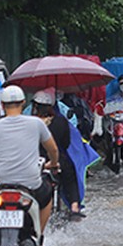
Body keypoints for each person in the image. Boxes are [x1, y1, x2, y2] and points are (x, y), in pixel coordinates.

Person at [0, 84, 60, 246]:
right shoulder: (37, 124)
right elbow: (53, 149)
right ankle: (39, 238)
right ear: (23, 103)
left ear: (2, 105)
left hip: (1, 183)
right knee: (47, 196)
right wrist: (54, 163)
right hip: (31, 184)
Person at [31, 88, 85, 220]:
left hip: (36, 161)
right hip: (58, 160)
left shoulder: (30, 122)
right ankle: (74, 206)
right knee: (71, 176)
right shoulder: (61, 121)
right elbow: (65, 143)